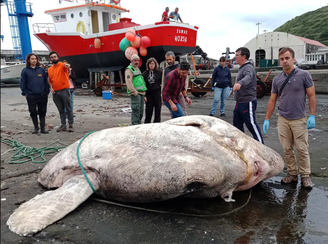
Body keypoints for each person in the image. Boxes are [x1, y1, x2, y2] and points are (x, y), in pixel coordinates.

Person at [263, 47, 316, 189]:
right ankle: (292, 174)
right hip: (283, 118)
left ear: (293, 59)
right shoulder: (277, 79)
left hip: (299, 118)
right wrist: (267, 119)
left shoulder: (304, 75)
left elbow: (311, 96)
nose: (284, 61)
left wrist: (312, 115)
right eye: (282, 59)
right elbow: (272, 100)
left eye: (287, 58)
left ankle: (305, 176)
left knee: (302, 148)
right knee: (287, 149)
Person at [232, 47, 263, 143]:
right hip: (239, 102)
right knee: (237, 125)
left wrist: (240, 83)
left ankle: (262, 146)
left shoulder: (248, 68)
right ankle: (241, 144)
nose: (235, 57)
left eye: (237, 55)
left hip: (247, 101)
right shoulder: (242, 68)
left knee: (251, 124)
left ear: (244, 56)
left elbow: (248, 77)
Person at [20, 53, 50, 134]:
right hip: (31, 95)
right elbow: (23, 83)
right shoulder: (25, 71)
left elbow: (45, 82)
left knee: (42, 111)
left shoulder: (41, 70)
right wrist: (25, 93)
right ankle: (36, 128)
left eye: (35, 59)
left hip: (42, 95)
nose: (34, 60)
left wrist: (46, 91)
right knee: (33, 112)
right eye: (32, 59)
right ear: (29, 60)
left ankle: (43, 128)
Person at [48, 51, 74, 132]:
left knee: (68, 108)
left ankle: (70, 125)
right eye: (52, 57)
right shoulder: (50, 69)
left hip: (64, 90)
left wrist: (67, 65)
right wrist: (51, 88)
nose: (53, 58)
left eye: (55, 56)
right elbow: (50, 80)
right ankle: (63, 125)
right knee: (60, 110)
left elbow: (66, 66)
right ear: (50, 59)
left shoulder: (62, 65)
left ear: (57, 57)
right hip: (55, 92)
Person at [125, 54, 147, 125]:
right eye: (135, 60)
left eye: (138, 60)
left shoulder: (137, 69)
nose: (137, 62)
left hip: (141, 93)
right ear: (131, 60)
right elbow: (129, 82)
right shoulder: (129, 69)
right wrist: (134, 92)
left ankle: (138, 124)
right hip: (136, 94)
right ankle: (135, 125)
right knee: (136, 110)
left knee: (140, 111)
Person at [142, 57, 162, 123]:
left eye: (153, 64)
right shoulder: (145, 73)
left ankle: (157, 123)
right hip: (148, 94)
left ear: (155, 64)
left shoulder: (159, 73)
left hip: (157, 93)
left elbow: (162, 83)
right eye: (150, 64)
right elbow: (143, 84)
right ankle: (147, 123)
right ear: (148, 65)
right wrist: (144, 95)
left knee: (158, 109)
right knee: (148, 110)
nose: (151, 65)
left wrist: (162, 93)